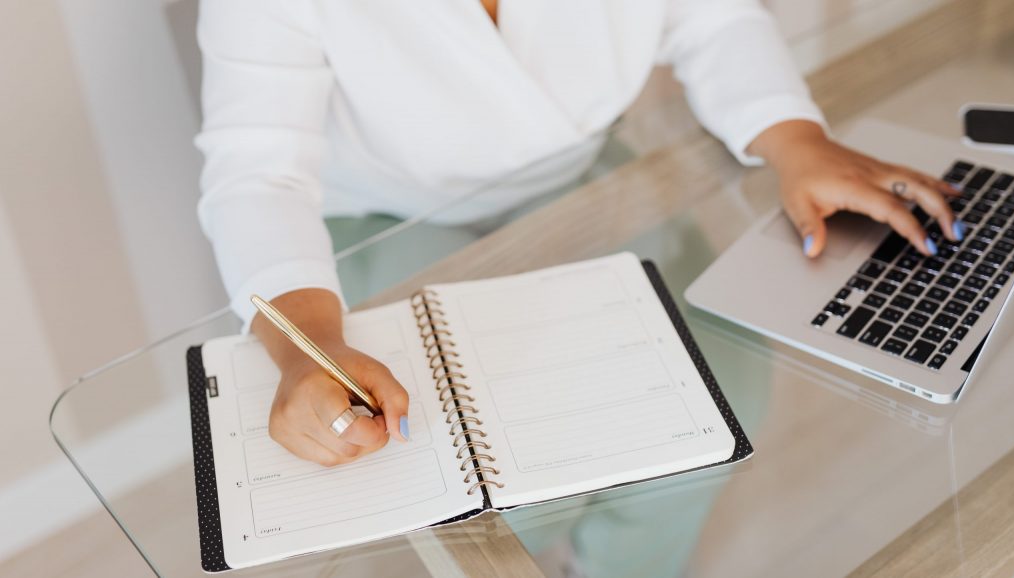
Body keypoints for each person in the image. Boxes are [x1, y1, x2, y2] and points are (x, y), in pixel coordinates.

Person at [195, 0, 963, 467]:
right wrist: (306, 350)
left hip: (580, 175)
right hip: (377, 215)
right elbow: (261, 175)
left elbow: (710, 17)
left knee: (721, 391)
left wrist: (794, 139)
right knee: (481, 431)